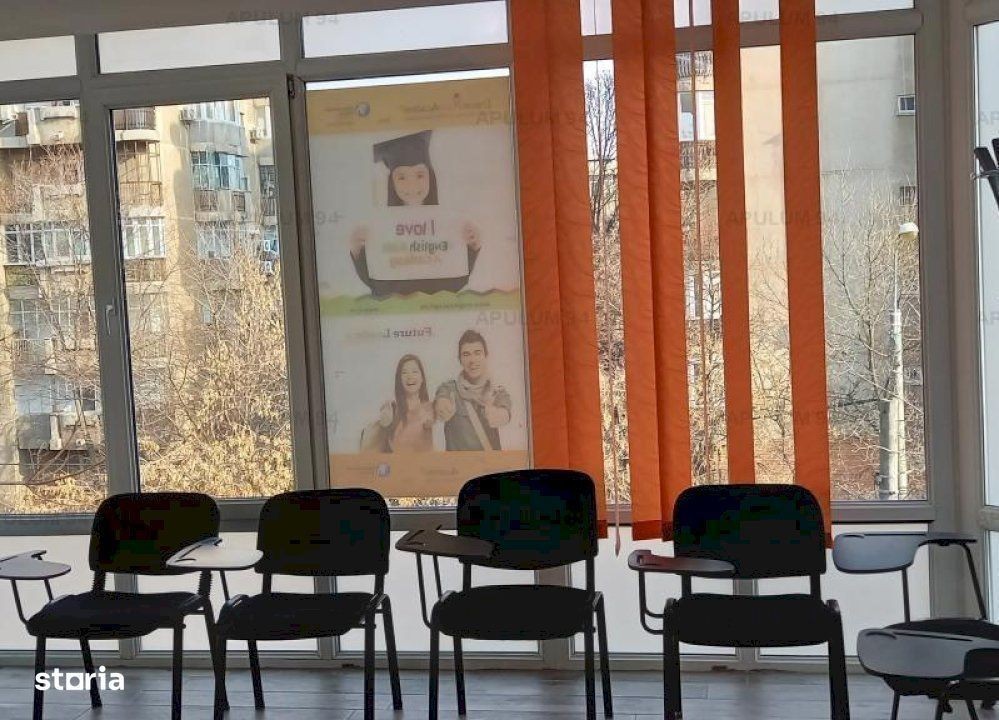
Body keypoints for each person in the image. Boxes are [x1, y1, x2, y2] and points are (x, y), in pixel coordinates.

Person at [349, 130, 481, 296]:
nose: (412, 186)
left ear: (430, 176)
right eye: (401, 177)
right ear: (392, 182)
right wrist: (358, 251)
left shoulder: (447, 223)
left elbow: (456, 281)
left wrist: (471, 247)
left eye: (419, 175)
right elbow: (378, 285)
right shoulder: (383, 227)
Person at [434, 330, 511, 451]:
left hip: (490, 462)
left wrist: (498, 415)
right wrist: (442, 406)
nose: (472, 360)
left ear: (486, 356)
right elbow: (441, 398)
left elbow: (504, 411)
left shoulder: (497, 391)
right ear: (459, 359)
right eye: (466, 354)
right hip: (458, 463)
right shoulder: (450, 389)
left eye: (477, 353)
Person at [361, 354, 435, 453]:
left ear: (422, 378)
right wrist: (384, 424)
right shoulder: (392, 409)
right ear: (399, 380)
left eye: (415, 371)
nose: (410, 376)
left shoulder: (432, 409)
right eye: (404, 373)